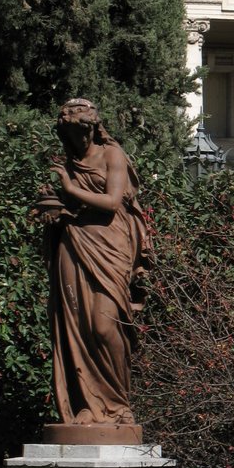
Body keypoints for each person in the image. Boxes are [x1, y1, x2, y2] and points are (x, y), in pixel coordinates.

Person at [36, 99, 151, 426]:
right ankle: (87, 404)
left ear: (93, 128)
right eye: (71, 135)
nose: (79, 140)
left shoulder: (112, 155)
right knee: (76, 326)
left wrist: (70, 187)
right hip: (73, 244)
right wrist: (54, 203)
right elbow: (70, 205)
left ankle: (118, 403)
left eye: (83, 132)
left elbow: (112, 202)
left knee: (103, 325)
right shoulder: (69, 163)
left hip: (111, 244)